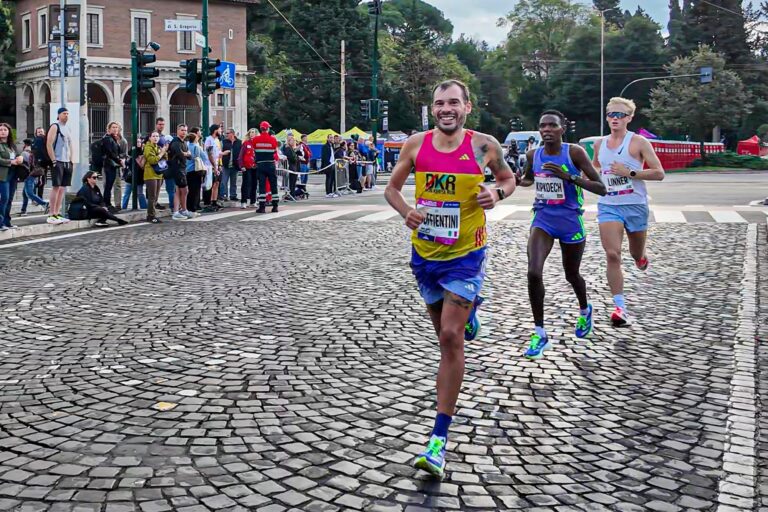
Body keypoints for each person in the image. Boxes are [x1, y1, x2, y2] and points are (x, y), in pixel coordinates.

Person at [384, 79, 517, 478]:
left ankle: (438, 441)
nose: (447, 109)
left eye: (454, 103)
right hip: (425, 255)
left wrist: (497, 193)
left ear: (467, 108)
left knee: (449, 337)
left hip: (466, 255)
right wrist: (405, 210)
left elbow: (509, 180)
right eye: (440, 102)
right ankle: (470, 310)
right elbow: (391, 189)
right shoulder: (416, 144)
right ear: (433, 107)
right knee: (441, 329)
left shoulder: (483, 146)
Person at [518, 110, 606, 360]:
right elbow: (528, 179)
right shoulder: (533, 154)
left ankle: (585, 308)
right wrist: (516, 181)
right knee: (534, 271)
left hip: (570, 222)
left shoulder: (574, 153)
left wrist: (569, 177)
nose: (546, 130)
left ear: (562, 129)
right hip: (543, 219)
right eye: (542, 125)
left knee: (572, 274)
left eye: (552, 126)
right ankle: (539, 333)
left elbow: (601, 188)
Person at [592, 97, 665, 327]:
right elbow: (595, 167)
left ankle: (641, 256)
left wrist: (629, 173)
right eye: (611, 114)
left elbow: (658, 172)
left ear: (629, 118)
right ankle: (619, 307)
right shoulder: (599, 144)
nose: (614, 118)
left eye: (620, 115)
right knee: (612, 254)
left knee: (635, 254)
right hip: (608, 205)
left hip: (635, 205)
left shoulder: (639, 143)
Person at [46, 107, 74, 225]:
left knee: (63, 188)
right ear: (58, 115)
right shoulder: (55, 126)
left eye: (67, 113)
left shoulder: (67, 128)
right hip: (58, 160)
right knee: (56, 187)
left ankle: (57, 213)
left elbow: (70, 144)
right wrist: (53, 160)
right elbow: (49, 144)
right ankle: (51, 214)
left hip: (67, 161)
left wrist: (72, 160)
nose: (66, 115)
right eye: (64, 113)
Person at [252, 121, 280, 213]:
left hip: (260, 165)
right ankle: (275, 206)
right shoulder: (273, 140)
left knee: (262, 186)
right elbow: (275, 152)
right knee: (273, 185)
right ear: (268, 129)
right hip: (271, 164)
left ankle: (262, 207)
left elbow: (254, 152)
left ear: (260, 129)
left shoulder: (255, 139)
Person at [0, 123, 23, 232]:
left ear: (9, 131)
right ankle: (0, 223)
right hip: (2, 175)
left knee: (9, 199)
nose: (3, 131)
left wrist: (20, 158)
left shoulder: (12, 145)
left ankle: (7, 222)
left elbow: (18, 154)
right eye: (1, 130)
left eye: (5, 129)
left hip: (13, 175)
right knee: (4, 198)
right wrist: (11, 162)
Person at [167, 124, 192, 220]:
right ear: (177, 131)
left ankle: (181, 210)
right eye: (182, 130)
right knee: (184, 190)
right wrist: (186, 154)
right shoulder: (175, 142)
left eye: (185, 130)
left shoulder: (184, 142)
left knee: (179, 191)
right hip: (177, 168)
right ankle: (179, 211)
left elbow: (189, 156)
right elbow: (180, 154)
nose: (184, 132)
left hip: (182, 167)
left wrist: (186, 154)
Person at [19, 137, 49, 216]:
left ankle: (45, 204)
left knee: (29, 193)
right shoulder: (35, 152)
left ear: (25, 145)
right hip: (34, 175)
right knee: (24, 194)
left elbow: (22, 163)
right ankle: (23, 210)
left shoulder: (25, 153)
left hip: (29, 175)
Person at [142, 131, 168, 224]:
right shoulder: (148, 147)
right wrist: (162, 153)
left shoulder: (158, 147)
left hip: (158, 174)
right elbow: (153, 160)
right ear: (150, 138)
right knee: (152, 196)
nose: (156, 138)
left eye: (157, 136)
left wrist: (164, 152)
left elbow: (165, 159)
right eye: (153, 136)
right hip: (150, 174)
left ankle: (153, 214)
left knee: (156, 197)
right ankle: (150, 215)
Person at [101, 122, 123, 213]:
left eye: (116, 127)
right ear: (109, 129)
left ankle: (108, 203)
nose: (115, 129)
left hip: (113, 165)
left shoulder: (113, 139)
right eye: (113, 127)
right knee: (108, 186)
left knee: (110, 185)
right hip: (109, 165)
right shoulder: (107, 139)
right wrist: (119, 161)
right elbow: (110, 153)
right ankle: (107, 204)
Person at [186, 131, 208, 215]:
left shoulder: (187, 146)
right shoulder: (197, 147)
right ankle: (193, 208)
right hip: (196, 170)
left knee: (190, 190)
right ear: (195, 139)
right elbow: (203, 157)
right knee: (196, 190)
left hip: (188, 170)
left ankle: (188, 206)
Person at [203, 124, 223, 211]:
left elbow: (217, 153)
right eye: (219, 130)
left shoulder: (217, 140)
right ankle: (209, 202)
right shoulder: (209, 140)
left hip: (217, 164)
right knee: (210, 184)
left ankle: (214, 201)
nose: (221, 131)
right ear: (215, 130)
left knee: (216, 183)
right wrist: (214, 166)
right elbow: (209, 153)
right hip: (210, 165)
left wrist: (219, 165)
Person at [238, 128, 258, 208]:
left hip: (255, 166)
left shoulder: (257, 144)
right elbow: (241, 155)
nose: (252, 134)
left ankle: (253, 201)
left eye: (253, 132)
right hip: (247, 167)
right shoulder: (246, 143)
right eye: (251, 132)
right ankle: (244, 201)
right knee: (246, 183)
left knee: (254, 184)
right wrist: (241, 165)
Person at [221, 128, 241, 202]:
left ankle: (233, 195)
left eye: (228, 133)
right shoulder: (224, 142)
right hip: (226, 165)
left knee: (234, 182)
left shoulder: (239, 142)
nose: (226, 135)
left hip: (235, 165)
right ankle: (224, 195)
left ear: (232, 134)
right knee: (224, 181)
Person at [282, 135, 300, 201]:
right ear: (289, 141)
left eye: (294, 141)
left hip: (294, 167)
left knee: (293, 182)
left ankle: (293, 194)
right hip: (291, 167)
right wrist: (296, 157)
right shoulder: (288, 148)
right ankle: (291, 195)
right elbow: (291, 157)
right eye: (293, 141)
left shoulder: (292, 148)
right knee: (291, 182)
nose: (294, 142)